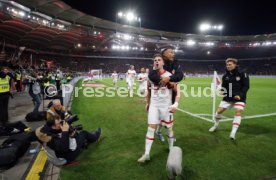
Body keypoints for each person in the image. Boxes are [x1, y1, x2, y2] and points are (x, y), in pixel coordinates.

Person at [138, 54, 180, 163]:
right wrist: (147, 103)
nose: (156, 61)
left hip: (166, 107)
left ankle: (171, 148)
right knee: (151, 128)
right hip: (154, 106)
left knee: (169, 128)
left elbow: (178, 91)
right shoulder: (151, 76)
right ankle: (147, 153)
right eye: (155, 60)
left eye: (159, 60)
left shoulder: (170, 75)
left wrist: (176, 104)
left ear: (163, 63)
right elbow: (149, 91)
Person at [209, 58, 250, 140]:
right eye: (227, 65)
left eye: (230, 64)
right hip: (228, 97)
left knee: (238, 111)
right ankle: (216, 125)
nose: (228, 66)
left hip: (239, 98)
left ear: (235, 64)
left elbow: (246, 86)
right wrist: (222, 91)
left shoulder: (242, 73)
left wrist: (240, 95)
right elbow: (224, 86)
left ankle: (233, 132)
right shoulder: (225, 76)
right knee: (218, 111)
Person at [149, 47, 184, 141]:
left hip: (170, 93)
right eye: (171, 52)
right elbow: (152, 75)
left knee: (167, 117)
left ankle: (160, 132)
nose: (173, 54)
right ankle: (162, 132)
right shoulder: (158, 61)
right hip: (160, 94)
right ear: (164, 54)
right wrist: (164, 81)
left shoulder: (175, 63)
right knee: (162, 117)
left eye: (173, 52)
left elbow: (180, 76)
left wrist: (169, 78)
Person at [35, 116, 102, 163]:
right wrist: (65, 131)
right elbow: (64, 148)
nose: (61, 123)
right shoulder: (52, 140)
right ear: (53, 126)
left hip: (60, 154)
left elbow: (58, 132)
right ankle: (95, 137)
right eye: (59, 123)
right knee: (83, 133)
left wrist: (70, 122)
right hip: (67, 157)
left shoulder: (47, 130)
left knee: (76, 135)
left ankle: (84, 143)